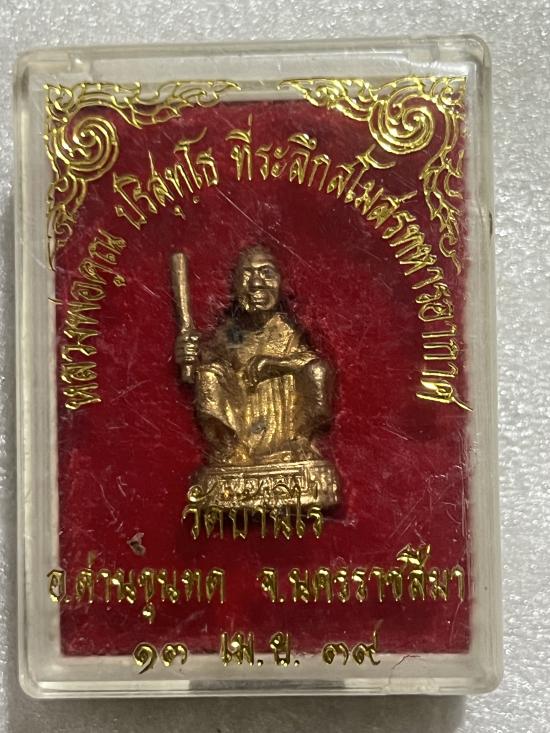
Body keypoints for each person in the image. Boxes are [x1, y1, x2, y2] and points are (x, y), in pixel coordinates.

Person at [175, 245, 334, 467]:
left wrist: (277, 364)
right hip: (242, 416)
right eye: (247, 274)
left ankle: (300, 444)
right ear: (234, 286)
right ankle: (229, 450)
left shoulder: (293, 329)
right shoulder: (232, 333)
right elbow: (206, 360)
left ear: (282, 283)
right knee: (209, 375)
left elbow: (311, 362)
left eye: (266, 272)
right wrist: (189, 353)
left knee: (317, 371)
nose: (256, 283)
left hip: (284, 419)